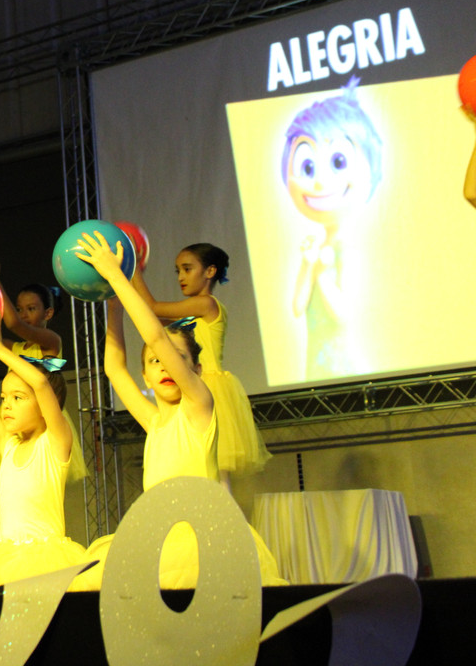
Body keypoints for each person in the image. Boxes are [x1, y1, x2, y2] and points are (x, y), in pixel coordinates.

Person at [69, 230, 284, 590]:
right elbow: (113, 369)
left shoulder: (199, 407)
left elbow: (155, 336)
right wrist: (112, 304)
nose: (165, 366)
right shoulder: (154, 423)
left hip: (204, 542)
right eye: (155, 362)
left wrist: (117, 276)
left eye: (177, 359)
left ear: (195, 371)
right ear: (146, 376)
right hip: (159, 542)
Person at [0, 307, 88, 595]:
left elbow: (40, 382)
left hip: (46, 559)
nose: (6, 405)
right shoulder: (7, 445)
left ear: (47, 407)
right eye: (4, 397)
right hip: (6, 556)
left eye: (18, 398)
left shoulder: (55, 442)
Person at [131, 243, 270, 489]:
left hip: (207, 386)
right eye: (178, 271)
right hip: (190, 386)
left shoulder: (206, 304)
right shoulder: (190, 314)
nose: (182, 277)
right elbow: (151, 320)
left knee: (217, 472)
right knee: (203, 466)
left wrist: (131, 271)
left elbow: (152, 309)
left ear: (210, 271)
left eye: (187, 269)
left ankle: (221, 521)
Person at [282, 76, 382, 380]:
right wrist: (309, 265)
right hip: (314, 368)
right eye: (308, 167)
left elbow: (343, 315)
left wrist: (322, 273)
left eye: (338, 161)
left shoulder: (345, 249)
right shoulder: (316, 249)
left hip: (343, 368)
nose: (320, 181)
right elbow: (298, 307)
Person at [0, 250, 85, 491]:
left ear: (48, 313)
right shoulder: (14, 347)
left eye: (31, 309)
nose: (24, 314)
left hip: (44, 418)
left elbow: (13, 323)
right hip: (17, 417)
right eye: (20, 308)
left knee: (44, 481)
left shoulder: (51, 341)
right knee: (17, 478)